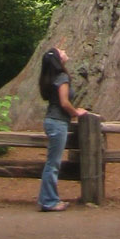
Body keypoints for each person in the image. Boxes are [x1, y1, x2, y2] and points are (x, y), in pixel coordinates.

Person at [37, 45, 87, 212]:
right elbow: (64, 102)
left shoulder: (51, 77)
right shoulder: (62, 77)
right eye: (61, 51)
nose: (65, 51)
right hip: (58, 122)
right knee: (53, 164)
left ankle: (49, 199)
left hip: (51, 120)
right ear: (57, 59)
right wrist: (76, 113)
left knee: (52, 163)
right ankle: (49, 201)